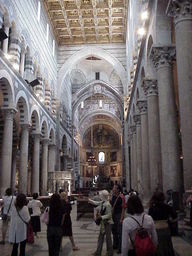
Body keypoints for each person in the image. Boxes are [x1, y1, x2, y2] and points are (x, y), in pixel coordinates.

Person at [148, 191, 177, 256]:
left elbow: (150, 219)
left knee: (157, 246)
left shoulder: (152, 207)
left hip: (156, 229)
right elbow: (175, 217)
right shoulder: (167, 206)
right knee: (167, 245)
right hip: (165, 228)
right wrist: (170, 221)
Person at [89, 190, 113, 256]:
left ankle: (110, 252)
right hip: (103, 223)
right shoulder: (103, 202)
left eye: (101, 195)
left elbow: (109, 215)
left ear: (103, 196)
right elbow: (97, 203)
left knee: (108, 239)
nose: (100, 196)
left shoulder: (108, 204)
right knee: (100, 238)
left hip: (107, 223)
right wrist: (90, 201)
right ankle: (98, 252)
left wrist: (101, 217)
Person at [111, 184, 126, 253]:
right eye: (113, 188)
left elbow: (123, 208)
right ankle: (115, 245)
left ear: (118, 189)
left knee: (119, 232)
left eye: (114, 188)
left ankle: (120, 248)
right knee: (114, 231)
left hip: (119, 215)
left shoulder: (121, 197)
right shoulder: (113, 196)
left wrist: (121, 218)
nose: (113, 189)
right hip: (113, 216)